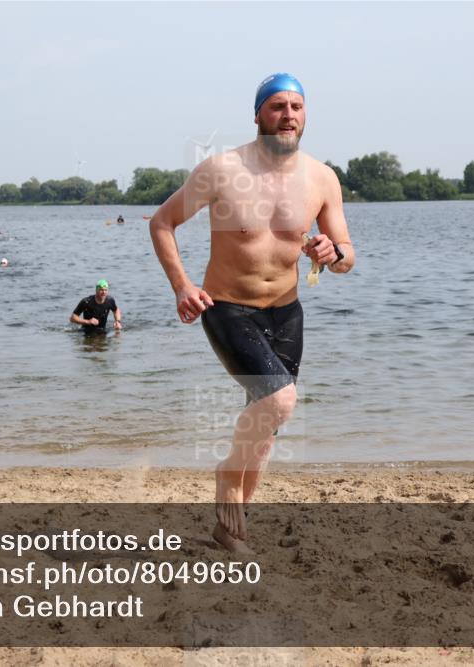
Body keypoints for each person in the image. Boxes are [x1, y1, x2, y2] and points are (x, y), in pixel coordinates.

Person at [149, 73, 354, 552]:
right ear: (258, 114)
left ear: (305, 115)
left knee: (266, 429)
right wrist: (182, 287)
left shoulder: (322, 178)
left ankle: (230, 527)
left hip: (286, 313)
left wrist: (333, 252)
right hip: (228, 308)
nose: (288, 115)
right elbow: (162, 223)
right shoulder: (222, 170)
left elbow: (347, 255)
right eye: (278, 106)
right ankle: (227, 474)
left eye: (296, 107)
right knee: (280, 401)